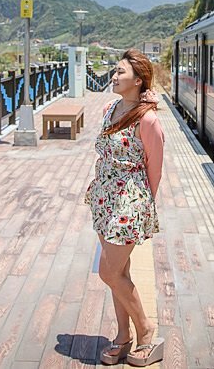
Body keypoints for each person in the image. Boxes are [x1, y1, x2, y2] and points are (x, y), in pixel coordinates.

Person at [84, 48, 166, 366]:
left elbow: (154, 169)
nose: (114, 77)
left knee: (108, 271)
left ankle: (146, 332)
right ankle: (122, 336)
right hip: (104, 198)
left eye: (121, 73)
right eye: (115, 71)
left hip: (129, 203)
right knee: (120, 271)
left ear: (138, 80)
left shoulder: (148, 120)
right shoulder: (110, 108)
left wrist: (144, 207)